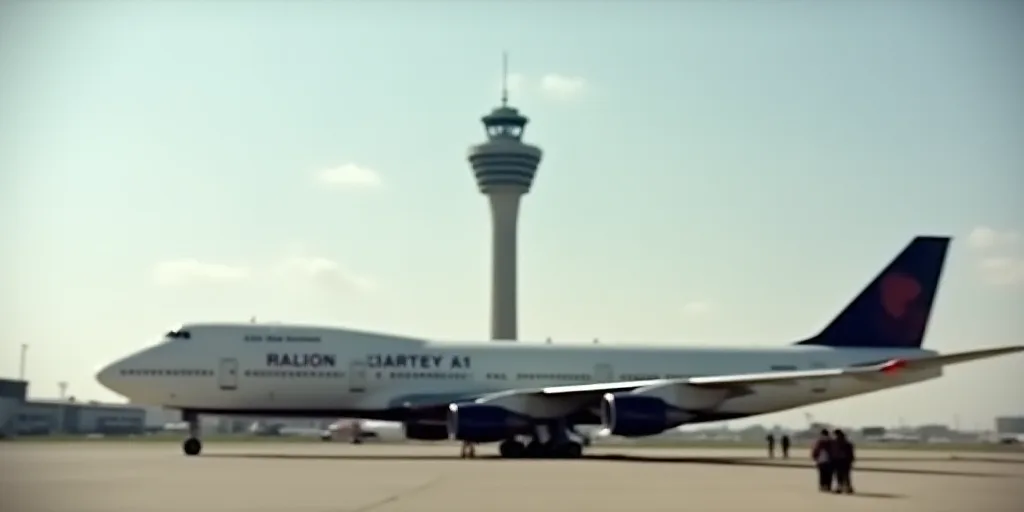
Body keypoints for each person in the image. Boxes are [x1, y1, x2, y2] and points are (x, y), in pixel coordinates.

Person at [831, 429, 856, 494]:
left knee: (839, 475)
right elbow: (851, 452)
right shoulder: (847, 442)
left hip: (838, 460)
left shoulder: (835, 442)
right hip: (846, 461)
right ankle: (848, 488)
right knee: (846, 475)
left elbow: (834, 452)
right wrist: (851, 459)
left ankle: (840, 488)